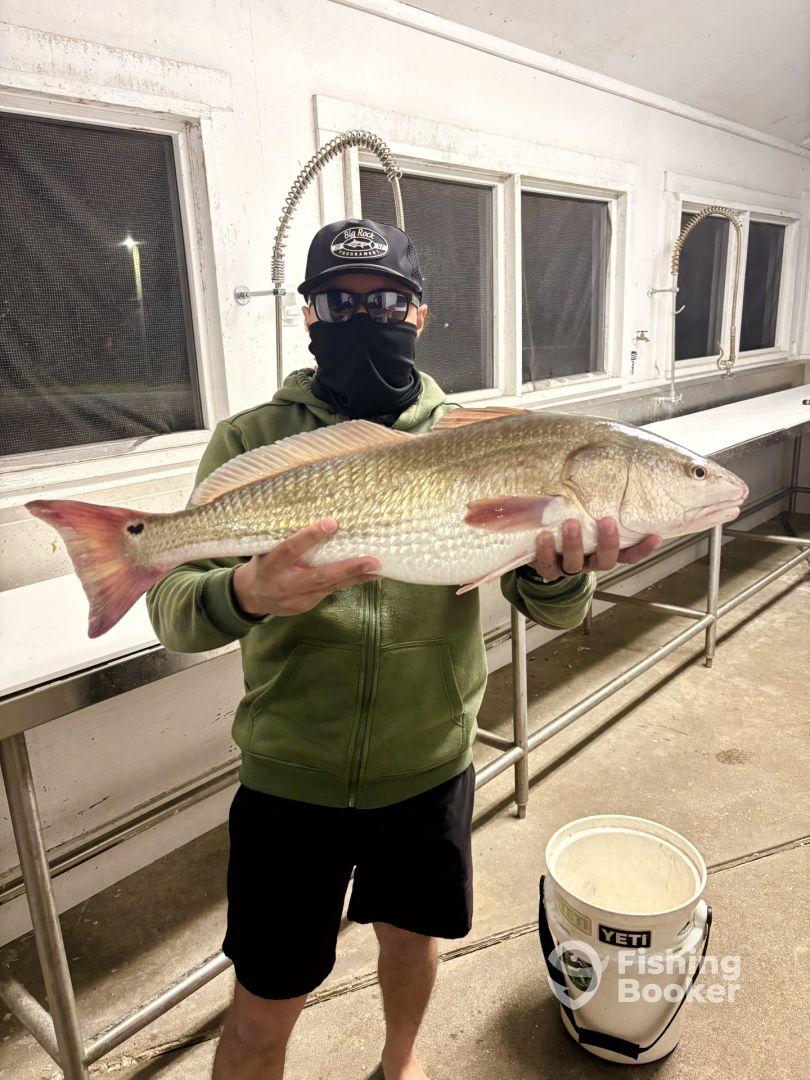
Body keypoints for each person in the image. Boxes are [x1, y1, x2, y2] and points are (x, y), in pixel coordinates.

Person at [145, 217, 662, 1080]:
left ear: (418, 313)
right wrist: (242, 593)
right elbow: (171, 608)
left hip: (428, 765)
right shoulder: (251, 440)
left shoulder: (479, 436)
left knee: (414, 942)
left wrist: (564, 574)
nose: (360, 317)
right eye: (335, 303)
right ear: (306, 316)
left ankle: (401, 1062)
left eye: (383, 299)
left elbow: (553, 611)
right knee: (264, 1005)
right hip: (289, 776)